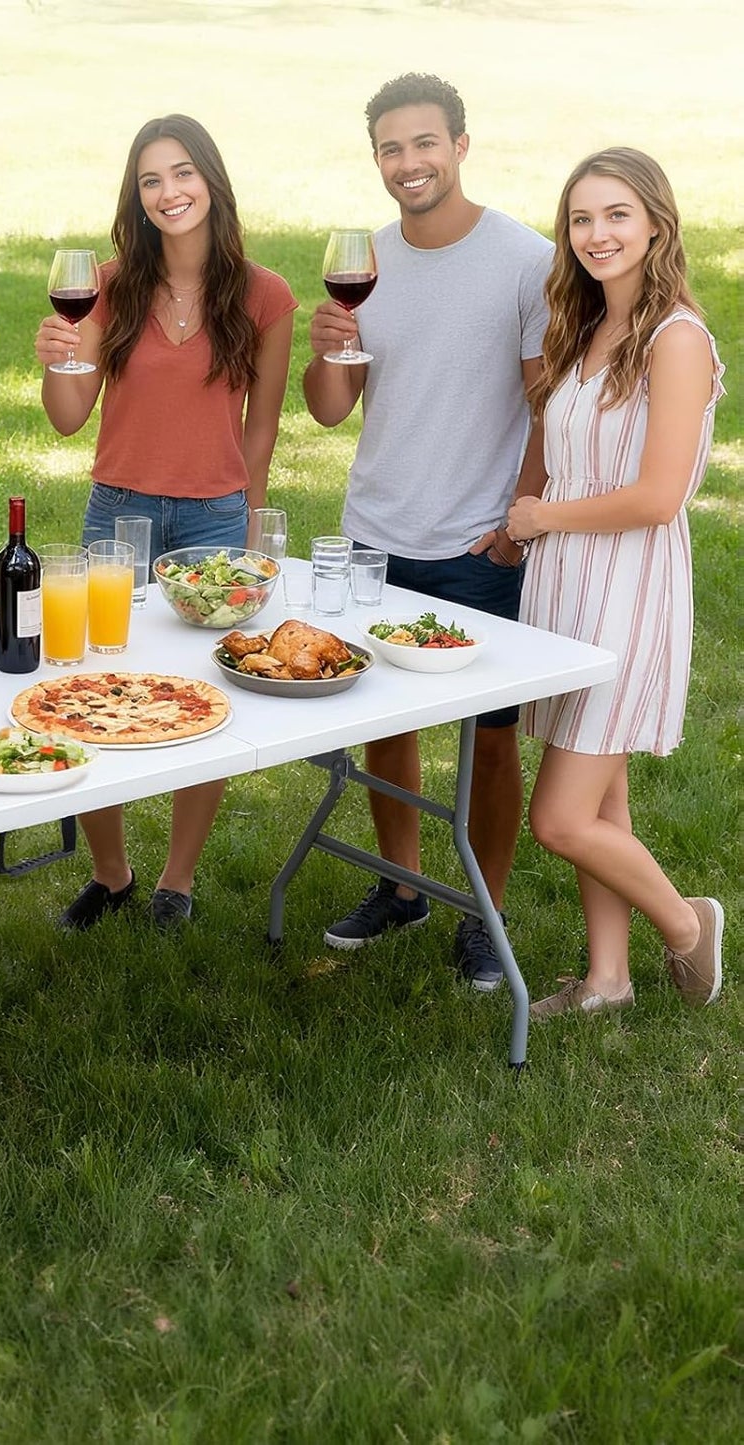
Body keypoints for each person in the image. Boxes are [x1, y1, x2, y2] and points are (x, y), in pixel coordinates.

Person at [302, 73, 552, 989]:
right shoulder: (365, 261)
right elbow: (328, 409)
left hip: (475, 543)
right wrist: (328, 347)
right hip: (375, 533)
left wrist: (516, 524)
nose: (407, 163)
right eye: (389, 148)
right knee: (384, 719)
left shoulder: (525, 260)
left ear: (459, 146)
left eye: (423, 143)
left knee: (490, 738)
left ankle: (484, 911)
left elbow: (546, 406)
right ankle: (402, 886)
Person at [35, 114, 296, 931]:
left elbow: (260, 428)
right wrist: (58, 360)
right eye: (150, 180)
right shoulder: (107, 285)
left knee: (204, 690)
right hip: (118, 508)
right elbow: (66, 419)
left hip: (215, 518)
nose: (168, 192)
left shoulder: (265, 295)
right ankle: (110, 872)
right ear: (136, 197)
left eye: (181, 173)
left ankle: (176, 879)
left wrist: (249, 526)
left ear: (210, 180)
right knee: (90, 681)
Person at [505, 148, 724, 1017]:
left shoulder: (677, 338)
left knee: (558, 819)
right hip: (566, 585)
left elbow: (657, 496)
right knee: (604, 799)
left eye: (616, 215)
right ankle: (608, 979)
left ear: (657, 225)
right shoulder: (587, 326)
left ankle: (686, 924)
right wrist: (528, 523)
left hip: (626, 592)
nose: (595, 234)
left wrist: (540, 515)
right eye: (580, 218)